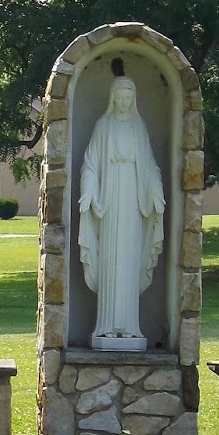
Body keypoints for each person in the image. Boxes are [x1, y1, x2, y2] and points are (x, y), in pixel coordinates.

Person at [77, 77, 165, 342]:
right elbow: (90, 164)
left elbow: (150, 166)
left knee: (128, 260)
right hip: (110, 202)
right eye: (121, 97)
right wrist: (89, 192)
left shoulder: (139, 127)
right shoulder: (103, 126)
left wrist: (156, 192)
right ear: (113, 98)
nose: (125, 102)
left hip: (133, 204)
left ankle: (130, 327)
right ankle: (104, 326)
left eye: (129, 98)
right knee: (110, 259)